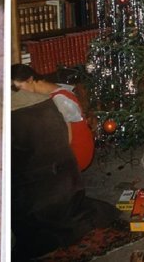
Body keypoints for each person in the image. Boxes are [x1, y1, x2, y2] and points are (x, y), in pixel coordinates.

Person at [11, 88, 119, 260]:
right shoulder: (47, 101)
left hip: (38, 198)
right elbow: (68, 137)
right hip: (67, 186)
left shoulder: (15, 115)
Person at [11, 64, 95, 171]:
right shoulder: (51, 88)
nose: (19, 92)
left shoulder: (60, 98)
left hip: (77, 152)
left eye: (19, 87)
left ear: (30, 79)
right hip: (70, 145)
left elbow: (67, 139)